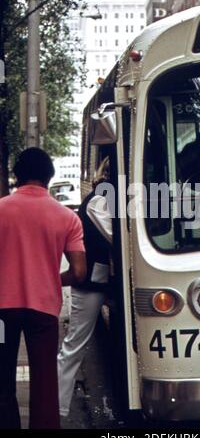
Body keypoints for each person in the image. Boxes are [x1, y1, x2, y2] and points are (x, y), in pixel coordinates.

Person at [0, 148, 86, 429]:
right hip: (44, 310)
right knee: (45, 381)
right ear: (50, 177)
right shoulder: (68, 218)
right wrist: (50, 277)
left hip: (1, 312)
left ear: (16, 176)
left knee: (2, 378)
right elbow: (79, 271)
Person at [57, 156, 113, 417]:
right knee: (74, 346)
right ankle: (58, 409)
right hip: (91, 284)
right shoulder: (100, 200)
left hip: (105, 281)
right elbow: (116, 236)